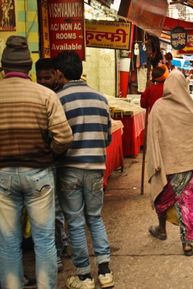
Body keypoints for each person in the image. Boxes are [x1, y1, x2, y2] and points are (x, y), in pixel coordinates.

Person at [0, 35, 73, 289]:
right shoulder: (45, 95)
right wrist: (49, 153)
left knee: (8, 241)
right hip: (39, 173)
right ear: (28, 67)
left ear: (3, 67)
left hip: (2, 176)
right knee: (44, 240)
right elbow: (64, 136)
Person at [54, 51, 114, 289]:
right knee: (95, 218)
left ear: (59, 73)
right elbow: (107, 138)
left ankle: (84, 277)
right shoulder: (100, 99)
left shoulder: (58, 98)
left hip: (69, 168)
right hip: (95, 168)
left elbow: (56, 136)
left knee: (76, 223)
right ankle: (105, 271)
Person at [145, 69, 193, 256]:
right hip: (189, 164)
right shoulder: (190, 107)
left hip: (167, 164)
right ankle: (186, 243)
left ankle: (162, 229)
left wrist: (155, 161)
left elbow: (152, 136)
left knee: (161, 198)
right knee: (188, 204)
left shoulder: (158, 107)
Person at [35, 57, 69, 272]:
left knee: (56, 208)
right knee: (54, 208)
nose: (44, 81)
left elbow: (62, 136)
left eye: (47, 77)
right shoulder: (40, 95)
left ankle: (59, 248)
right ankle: (59, 247)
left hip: (53, 161)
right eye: (40, 78)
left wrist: (52, 153)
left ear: (57, 73)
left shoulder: (56, 97)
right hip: (46, 162)